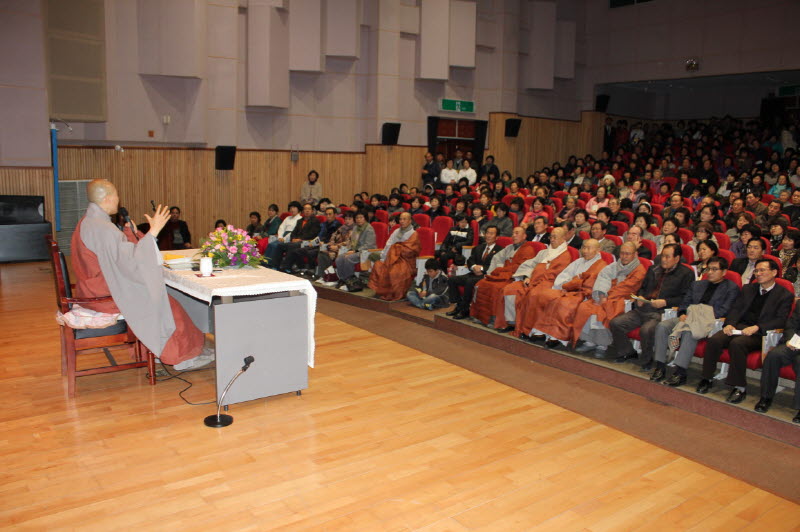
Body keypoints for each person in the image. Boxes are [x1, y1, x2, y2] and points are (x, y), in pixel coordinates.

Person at [71, 179, 205, 369]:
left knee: (163, 295)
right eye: (116, 195)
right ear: (108, 198)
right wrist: (153, 231)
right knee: (166, 303)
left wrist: (130, 234)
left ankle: (155, 352)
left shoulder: (89, 221)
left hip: (92, 288)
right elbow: (131, 263)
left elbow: (119, 255)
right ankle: (179, 357)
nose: (118, 199)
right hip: (104, 294)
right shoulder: (103, 228)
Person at [696, 259, 793, 403]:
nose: (758, 274)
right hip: (739, 327)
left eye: (762, 270)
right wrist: (730, 324)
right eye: (756, 271)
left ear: (774, 272)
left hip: (759, 333)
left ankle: (739, 387)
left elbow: (781, 320)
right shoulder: (748, 288)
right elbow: (735, 309)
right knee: (715, 340)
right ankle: (707, 378)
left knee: (738, 344)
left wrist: (758, 327)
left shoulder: (784, 295)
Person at [650, 256, 739, 386]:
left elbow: (724, 310)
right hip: (688, 317)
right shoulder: (697, 285)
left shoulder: (731, 288)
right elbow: (685, 303)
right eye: (709, 269)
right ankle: (660, 366)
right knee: (662, 326)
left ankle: (680, 372)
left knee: (689, 331)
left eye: (715, 269)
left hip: (708, 322)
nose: (710, 272)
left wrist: (697, 316)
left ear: (724, 272)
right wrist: (682, 313)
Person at [609, 244, 695, 371]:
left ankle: (647, 359)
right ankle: (627, 351)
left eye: (667, 257)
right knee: (616, 323)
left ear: (677, 258)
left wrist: (666, 302)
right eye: (662, 256)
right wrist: (640, 296)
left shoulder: (686, 274)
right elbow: (642, 288)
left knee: (646, 330)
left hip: (662, 312)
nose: (663, 260)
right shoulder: (653, 269)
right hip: (643, 308)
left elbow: (685, 297)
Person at [524, 239, 605, 347]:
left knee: (564, 304)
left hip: (583, 294)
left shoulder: (602, 265)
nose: (585, 251)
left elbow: (591, 284)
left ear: (598, 250)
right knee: (546, 296)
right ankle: (541, 331)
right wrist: (570, 283)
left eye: (589, 248)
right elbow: (564, 276)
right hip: (568, 290)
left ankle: (557, 336)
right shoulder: (578, 262)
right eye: (584, 247)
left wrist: (576, 282)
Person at [573, 243, 647, 356]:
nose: (624, 256)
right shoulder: (615, 265)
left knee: (603, 310)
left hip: (623, 299)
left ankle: (602, 345)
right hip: (607, 295)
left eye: (627, 254)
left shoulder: (639, 270)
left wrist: (606, 297)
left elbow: (626, 288)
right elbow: (603, 277)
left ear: (635, 254)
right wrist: (602, 294)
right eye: (622, 253)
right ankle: (589, 341)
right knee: (585, 306)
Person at [493, 227, 571, 332]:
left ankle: (527, 328)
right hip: (531, 280)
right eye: (551, 237)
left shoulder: (565, 256)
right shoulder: (544, 252)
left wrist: (537, 278)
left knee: (533, 295)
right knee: (510, 289)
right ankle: (511, 322)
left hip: (547, 283)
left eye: (555, 237)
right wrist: (527, 276)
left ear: (563, 238)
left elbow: (556, 275)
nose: (552, 240)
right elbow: (530, 265)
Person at [470, 227, 536, 325]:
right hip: (502, 274)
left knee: (496, 288)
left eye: (517, 233)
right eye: (513, 233)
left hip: (513, 277)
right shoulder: (509, 247)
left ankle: (494, 319)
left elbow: (522, 266)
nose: (513, 235)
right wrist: (500, 269)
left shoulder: (528, 250)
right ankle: (479, 315)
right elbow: (497, 259)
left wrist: (503, 269)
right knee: (481, 283)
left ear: (524, 236)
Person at [754, 303, 800, 423]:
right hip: (795, 342)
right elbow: (791, 325)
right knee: (773, 356)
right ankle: (766, 397)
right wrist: (790, 339)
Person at [446, 226, 503, 320]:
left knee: (469, 281)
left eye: (491, 233)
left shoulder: (500, 251)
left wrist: (482, 269)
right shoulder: (479, 247)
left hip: (487, 276)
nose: (488, 235)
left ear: (497, 237)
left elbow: (497, 266)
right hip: (473, 273)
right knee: (452, 279)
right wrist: (473, 267)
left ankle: (465, 310)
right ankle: (459, 305)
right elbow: (470, 260)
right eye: (487, 233)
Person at [368, 212, 420, 300]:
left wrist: (396, 248)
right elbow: (388, 244)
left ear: (410, 221)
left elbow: (411, 251)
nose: (402, 221)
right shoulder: (396, 231)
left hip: (405, 261)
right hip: (390, 258)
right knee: (378, 265)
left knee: (394, 271)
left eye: (404, 219)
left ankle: (395, 293)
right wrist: (384, 257)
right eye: (400, 219)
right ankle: (382, 292)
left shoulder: (414, 234)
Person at [281, 206, 341, 274]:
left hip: (327, 246)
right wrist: (314, 242)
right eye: (326, 214)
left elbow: (334, 239)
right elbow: (318, 236)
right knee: (298, 251)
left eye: (330, 214)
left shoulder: (338, 226)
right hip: (317, 243)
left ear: (335, 215)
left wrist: (324, 243)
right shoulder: (323, 224)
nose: (328, 216)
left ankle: (312, 270)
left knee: (310, 252)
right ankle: (302, 268)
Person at [332, 211, 377, 287]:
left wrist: (354, 251)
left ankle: (350, 280)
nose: (359, 219)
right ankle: (343, 279)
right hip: (355, 250)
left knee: (348, 258)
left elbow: (369, 245)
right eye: (357, 218)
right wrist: (349, 250)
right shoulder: (356, 227)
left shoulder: (369, 229)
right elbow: (352, 241)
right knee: (339, 258)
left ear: (365, 218)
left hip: (366, 251)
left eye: (361, 217)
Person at [314, 210, 355, 281]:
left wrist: (337, 246)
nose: (347, 221)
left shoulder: (355, 230)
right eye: (346, 219)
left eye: (349, 219)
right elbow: (333, 236)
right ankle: (323, 275)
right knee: (322, 253)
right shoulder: (342, 228)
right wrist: (330, 244)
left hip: (346, 249)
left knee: (329, 254)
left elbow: (350, 242)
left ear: (354, 220)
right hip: (335, 247)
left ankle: (332, 276)